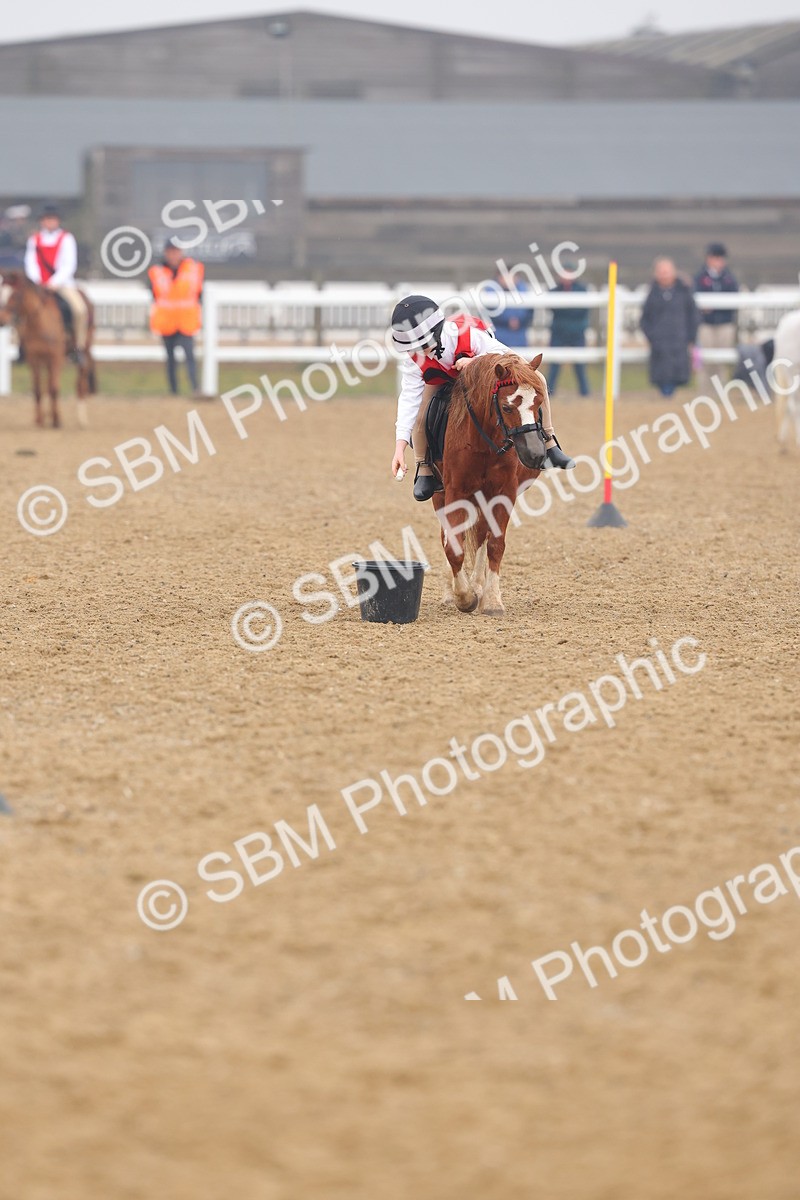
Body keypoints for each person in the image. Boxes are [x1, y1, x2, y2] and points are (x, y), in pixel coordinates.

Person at [389, 294, 574, 502]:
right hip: (440, 379)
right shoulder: (413, 360)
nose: (420, 351)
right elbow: (408, 401)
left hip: (483, 372)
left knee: (537, 377)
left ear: (437, 331)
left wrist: (473, 362)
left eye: (423, 344)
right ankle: (424, 468)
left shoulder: (469, 335)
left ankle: (549, 444)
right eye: (414, 347)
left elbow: (509, 358)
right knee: (421, 416)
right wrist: (399, 447)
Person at [24, 203, 89, 362]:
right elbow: (30, 262)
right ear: (42, 221)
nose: (50, 222)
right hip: (39, 284)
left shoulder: (67, 238)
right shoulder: (34, 239)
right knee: (21, 309)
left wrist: (54, 282)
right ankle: (22, 346)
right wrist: (38, 280)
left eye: (52, 219)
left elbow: (69, 264)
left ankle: (77, 347)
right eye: (47, 219)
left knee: (80, 310)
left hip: (62, 284)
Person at [148, 239, 204, 395]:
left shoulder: (193, 269)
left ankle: (195, 388)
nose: (173, 255)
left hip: (186, 322)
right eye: (170, 252)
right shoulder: (157, 272)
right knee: (170, 359)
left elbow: (200, 294)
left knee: (190, 357)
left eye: (176, 251)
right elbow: (154, 294)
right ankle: (173, 391)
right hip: (167, 322)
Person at [640, 259, 699, 398]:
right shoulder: (652, 294)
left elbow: (693, 316)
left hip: (680, 341)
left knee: (678, 374)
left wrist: (691, 337)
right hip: (659, 343)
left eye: (667, 271)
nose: (664, 275)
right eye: (661, 272)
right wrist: (652, 336)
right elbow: (645, 319)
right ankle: (665, 395)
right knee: (662, 375)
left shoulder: (684, 292)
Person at [693, 243, 739, 396]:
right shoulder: (700, 278)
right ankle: (704, 393)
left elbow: (735, 299)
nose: (718, 261)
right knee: (706, 360)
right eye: (715, 257)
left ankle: (721, 392)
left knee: (721, 361)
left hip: (725, 323)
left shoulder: (729, 279)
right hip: (706, 324)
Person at [546, 264, 591, 398]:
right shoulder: (554, 290)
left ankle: (584, 392)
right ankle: (550, 392)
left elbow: (582, 310)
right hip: (558, 332)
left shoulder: (582, 290)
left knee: (580, 366)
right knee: (554, 365)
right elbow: (552, 308)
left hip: (576, 333)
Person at [484, 271, 533, 348]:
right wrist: (507, 320)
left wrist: (520, 321)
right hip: (498, 333)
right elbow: (487, 313)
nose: (508, 280)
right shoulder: (491, 292)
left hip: (519, 335)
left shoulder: (524, 291)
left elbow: (529, 312)